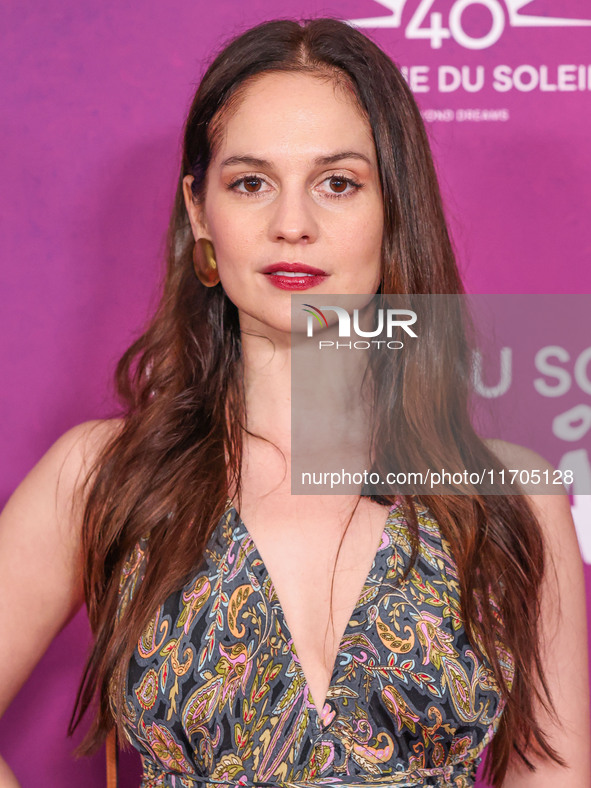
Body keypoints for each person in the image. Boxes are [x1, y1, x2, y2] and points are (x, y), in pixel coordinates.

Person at [0, 16, 588, 788]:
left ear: (394, 211)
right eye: (250, 183)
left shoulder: (511, 496)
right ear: (201, 212)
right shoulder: (102, 475)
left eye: (337, 183)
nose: (291, 225)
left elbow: (550, 772)